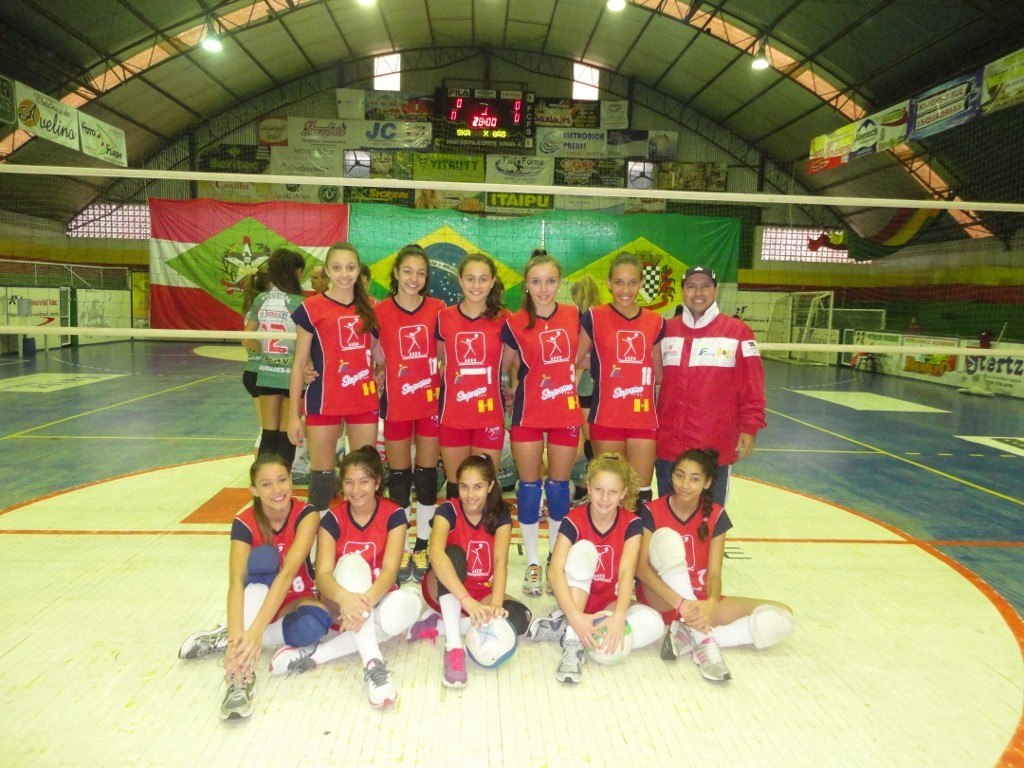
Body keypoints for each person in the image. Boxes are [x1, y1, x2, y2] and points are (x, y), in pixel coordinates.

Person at [178, 454, 330, 720]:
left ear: (292, 480)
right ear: (254, 490)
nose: (277, 490)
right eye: (267, 484)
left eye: (282, 480)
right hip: (257, 595)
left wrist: (255, 633)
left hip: (293, 595)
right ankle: (239, 676)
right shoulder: (245, 522)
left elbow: (287, 574)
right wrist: (243, 637)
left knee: (317, 623)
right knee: (262, 560)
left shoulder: (307, 514)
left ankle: (232, 638)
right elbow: (236, 582)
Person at [268, 446, 421, 707]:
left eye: (364, 481)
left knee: (412, 603)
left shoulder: (394, 515)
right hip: (340, 606)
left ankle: (316, 656)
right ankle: (373, 663)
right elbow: (324, 576)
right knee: (352, 562)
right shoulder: (332, 519)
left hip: (374, 601)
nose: (356, 489)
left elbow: (390, 571)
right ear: (342, 485)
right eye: (349, 482)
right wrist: (347, 601)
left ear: (376, 483)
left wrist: (364, 606)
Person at [636, 448, 794, 682]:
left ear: (708, 483)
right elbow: (641, 568)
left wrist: (711, 602)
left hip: (699, 599)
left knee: (781, 616)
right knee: (668, 539)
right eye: (680, 475)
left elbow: (715, 572)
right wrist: (681, 603)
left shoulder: (717, 515)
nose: (685, 484)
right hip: (662, 596)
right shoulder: (652, 510)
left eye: (695, 479)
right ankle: (706, 644)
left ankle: (695, 637)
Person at [527, 453, 663, 684]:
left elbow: (626, 573)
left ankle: (568, 628)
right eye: (599, 489)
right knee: (584, 550)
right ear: (588, 487)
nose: (604, 498)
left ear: (622, 493)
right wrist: (575, 616)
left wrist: (619, 616)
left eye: (612, 492)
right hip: (576, 597)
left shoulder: (632, 523)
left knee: (656, 623)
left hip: (609, 603)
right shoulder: (574, 519)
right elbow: (554, 571)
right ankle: (573, 638)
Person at [406, 454, 531, 687]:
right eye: (464, 487)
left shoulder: (500, 516)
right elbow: (435, 554)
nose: (470, 495)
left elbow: (501, 562)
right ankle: (454, 647)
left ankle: (438, 626)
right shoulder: (448, 511)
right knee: (452, 554)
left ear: (491, 486)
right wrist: (466, 600)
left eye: (478, 487)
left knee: (519, 618)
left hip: (480, 591)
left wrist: (494, 603)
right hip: (445, 586)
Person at [501, 250, 582, 596]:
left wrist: (578, 376)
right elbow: (501, 367)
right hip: (529, 412)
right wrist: (506, 391)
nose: (543, 289)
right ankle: (533, 561)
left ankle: (555, 561)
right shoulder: (514, 321)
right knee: (530, 487)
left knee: (560, 488)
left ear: (559, 283)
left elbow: (593, 354)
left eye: (550, 281)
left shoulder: (576, 316)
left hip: (565, 411)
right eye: (536, 282)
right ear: (527, 285)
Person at [656, 265, 766, 505]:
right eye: (691, 286)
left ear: (715, 291)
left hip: (713, 447)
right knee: (668, 522)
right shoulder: (666, 331)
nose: (698, 292)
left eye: (705, 286)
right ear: (682, 291)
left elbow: (752, 385)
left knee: (709, 522)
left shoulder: (738, 332)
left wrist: (750, 427)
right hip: (668, 445)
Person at [288, 242, 379, 514]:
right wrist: (294, 415)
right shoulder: (312, 307)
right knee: (322, 475)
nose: (344, 274)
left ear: (359, 270)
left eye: (350, 268)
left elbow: (378, 353)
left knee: (364, 473)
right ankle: (318, 540)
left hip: (362, 400)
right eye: (337, 268)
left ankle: (362, 534)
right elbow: (298, 364)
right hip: (323, 401)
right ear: (327, 270)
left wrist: (383, 370)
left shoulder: (372, 306)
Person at [372, 244, 444, 582]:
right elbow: (369, 353)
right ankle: (399, 547)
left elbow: (452, 350)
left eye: (420, 273)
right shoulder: (380, 311)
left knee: (427, 475)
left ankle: (424, 544)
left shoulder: (439, 309)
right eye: (408, 271)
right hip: (397, 404)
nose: (414, 278)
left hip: (430, 403)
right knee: (400, 478)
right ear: (396, 274)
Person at [577, 253, 664, 510]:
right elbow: (574, 359)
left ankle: (637, 549)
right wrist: (600, 366)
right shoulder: (594, 317)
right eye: (619, 282)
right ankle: (607, 547)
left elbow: (658, 373)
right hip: (607, 417)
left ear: (641, 284)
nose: (625, 289)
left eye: (632, 282)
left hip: (643, 419)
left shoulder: (656, 321)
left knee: (640, 494)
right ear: (609, 282)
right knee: (609, 491)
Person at [435, 253, 508, 499]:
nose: (476, 285)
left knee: (483, 486)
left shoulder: (505, 319)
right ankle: (456, 537)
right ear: (460, 280)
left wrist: (514, 386)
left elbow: (512, 362)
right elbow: (436, 360)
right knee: (457, 487)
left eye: (483, 279)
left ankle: (485, 537)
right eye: (470, 279)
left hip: (489, 414)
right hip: (453, 414)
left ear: (492, 281)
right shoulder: (445, 317)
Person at [245, 249, 306, 466]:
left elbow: (246, 338)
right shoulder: (300, 302)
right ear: (296, 272)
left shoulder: (261, 299)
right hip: (292, 376)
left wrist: (267, 356)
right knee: (287, 433)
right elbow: (306, 344)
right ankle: (283, 480)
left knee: (269, 432)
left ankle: (264, 489)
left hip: (268, 373)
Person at [241, 269, 271, 455]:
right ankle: (259, 468)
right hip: (261, 372)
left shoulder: (252, 310)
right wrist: (270, 352)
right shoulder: (262, 310)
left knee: (265, 427)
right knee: (266, 429)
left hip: (253, 372)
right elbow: (246, 340)